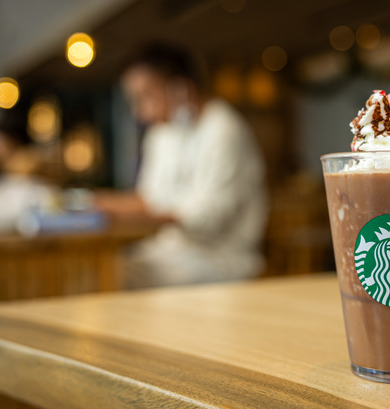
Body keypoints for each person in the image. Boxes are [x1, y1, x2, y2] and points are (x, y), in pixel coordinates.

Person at [97, 43, 268, 287]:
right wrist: (91, 204)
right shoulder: (163, 133)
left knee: (111, 275)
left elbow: (208, 218)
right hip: (172, 250)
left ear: (180, 89)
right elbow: (150, 199)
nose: (138, 112)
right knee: (103, 268)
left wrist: (126, 210)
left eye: (145, 96)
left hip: (221, 258)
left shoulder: (224, 129)